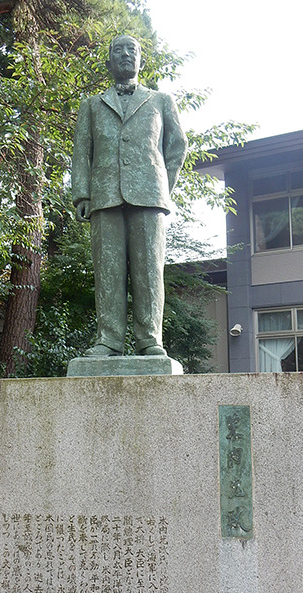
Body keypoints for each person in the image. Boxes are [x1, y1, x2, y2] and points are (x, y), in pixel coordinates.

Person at [72, 35, 188, 357]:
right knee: (107, 272)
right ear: (109, 62)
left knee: (149, 269)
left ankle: (150, 339)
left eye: (132, 50)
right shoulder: (92, 105)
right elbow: (82, 152)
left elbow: (177, 146)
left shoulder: (161, 100)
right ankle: (108, 339)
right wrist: (82, 194)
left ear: (141, 60)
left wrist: (161, 185)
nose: (125, 55)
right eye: (118, 51)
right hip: (103, 195)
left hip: (150, 195)